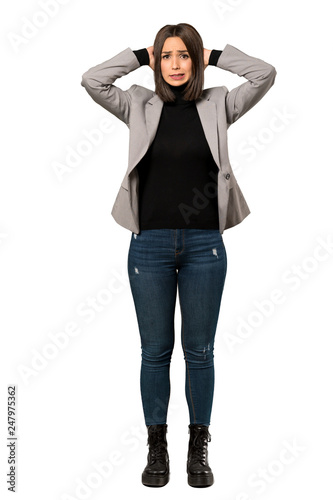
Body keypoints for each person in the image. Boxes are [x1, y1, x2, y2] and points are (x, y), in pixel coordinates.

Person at [81, 22, 276, 488]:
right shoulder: (137, 104)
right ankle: (156, 445)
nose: (174, 64)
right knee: (154, 353)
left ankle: (198, 445)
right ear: (156, 61)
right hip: (148, 244)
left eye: (183, 56)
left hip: (204, 245)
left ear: (194, 61)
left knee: (200, 353)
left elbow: (265, 74)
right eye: (166, 56)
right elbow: (92, 80)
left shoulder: (218, 104)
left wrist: (213, 54)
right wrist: (136, 54)